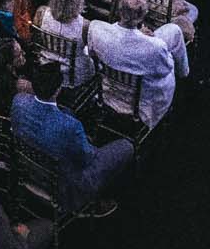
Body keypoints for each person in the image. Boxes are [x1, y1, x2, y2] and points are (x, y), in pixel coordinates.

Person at [10, 61, 131, 216]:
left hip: (29, 171)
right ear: (58, 89)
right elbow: (87, 159)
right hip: (66, 185)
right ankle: (94, 201)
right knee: (127, 146)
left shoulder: (18, 101)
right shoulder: (70, 126)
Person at [84, 0, 187, 127]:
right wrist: (148, 39)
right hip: (142, 106)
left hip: (109, 93)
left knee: (172, 32)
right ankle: (185, 73)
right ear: (143, 14)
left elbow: (91, 53)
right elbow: (164, 71)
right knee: (174, 34)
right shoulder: (155, 47)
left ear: (119, 10)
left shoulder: (96, 29)